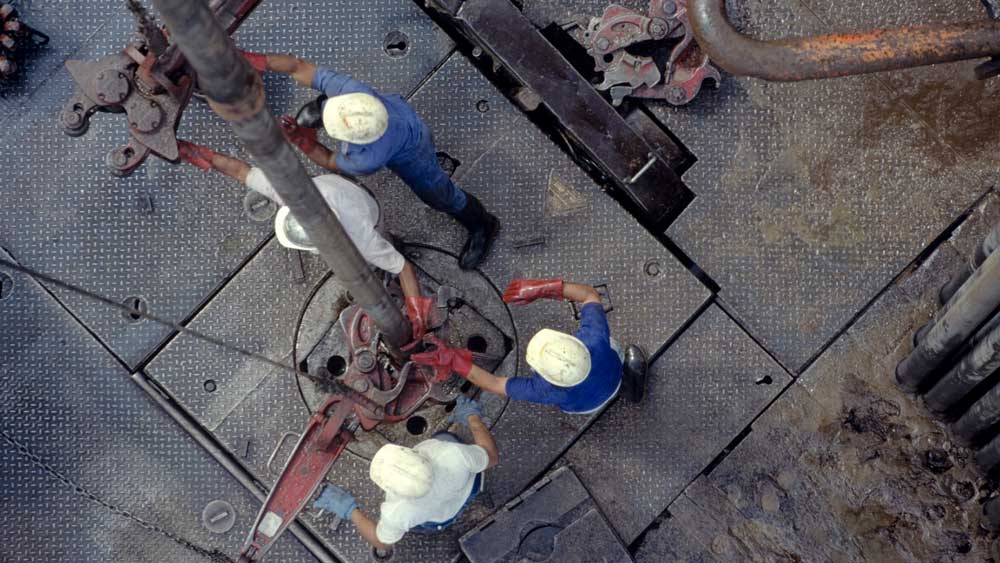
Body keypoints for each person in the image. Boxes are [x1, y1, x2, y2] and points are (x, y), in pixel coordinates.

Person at [236, 50, 500, 271]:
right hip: (403, 116)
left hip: (411, 153)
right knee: (420, 135)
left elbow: (328, 159)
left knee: (439, 195)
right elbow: (297, 65)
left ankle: (483, 224)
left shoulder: (368, 158)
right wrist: (256, 60)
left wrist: (303, 141)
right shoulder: (353, 92)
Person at [176, 140, 434, 340]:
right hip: (340, 188)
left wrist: (416, 311)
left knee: (380, 251)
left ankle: (389, 241)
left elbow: (402, 268)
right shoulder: (294, 195)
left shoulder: (362, 240)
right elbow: (241, 170)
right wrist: (201, 153)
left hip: (367, 210)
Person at [412, 279, 649, 414]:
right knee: (613, 350)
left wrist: (455, 361)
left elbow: (494, 383)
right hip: (612, 375)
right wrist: (546, 288)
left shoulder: (543, 389)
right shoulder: (594, 338)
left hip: (583, 407)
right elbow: (589, 295)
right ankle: (629, 386)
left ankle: (622, 390)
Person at [312, 396, 499, 551]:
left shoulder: (398, 513)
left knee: (423, 526)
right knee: (446, 438)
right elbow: (491, 457)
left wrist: (349, 509)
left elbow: (383, 543)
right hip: (465, 489)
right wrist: (472, 417)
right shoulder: (455, 455)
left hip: (436, 519)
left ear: (388, 488)